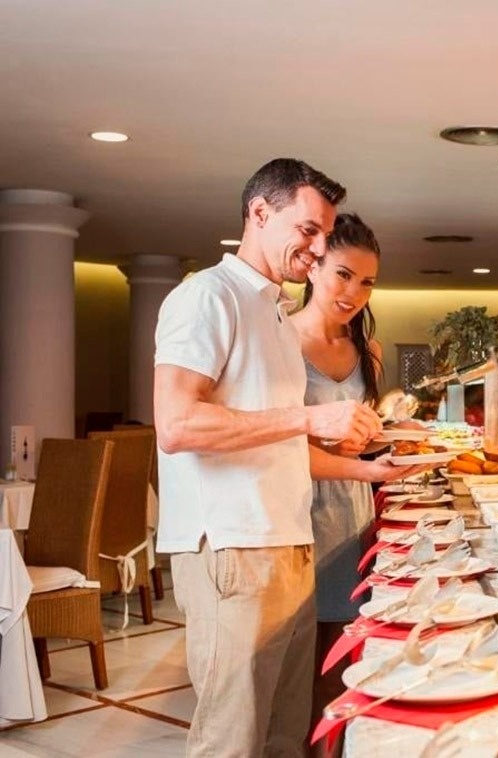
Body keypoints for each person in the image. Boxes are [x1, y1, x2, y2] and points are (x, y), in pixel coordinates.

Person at [153, 158, 385, 757]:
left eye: (323, 234)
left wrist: (344, 444)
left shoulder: (275, 315)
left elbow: (274, 435)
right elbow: (176, 424)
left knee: (285, 733)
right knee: (233, 738)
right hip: (232, 547)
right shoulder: (207, 296)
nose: (316, 247)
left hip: (288, 542)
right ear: (259, 212)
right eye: (307, 229)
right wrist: (309, 417)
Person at [290, 213, 426, 750]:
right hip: (301, 517)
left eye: (367, 282)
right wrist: (363, 459)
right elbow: (279, 449)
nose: (354, 293)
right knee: (304, 675)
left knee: (346, 666)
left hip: (354, 512)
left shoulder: (364, 348)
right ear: (313, 266)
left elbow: (356, 437)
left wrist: (395, 435)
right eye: (343, 274)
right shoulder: (282, 343)